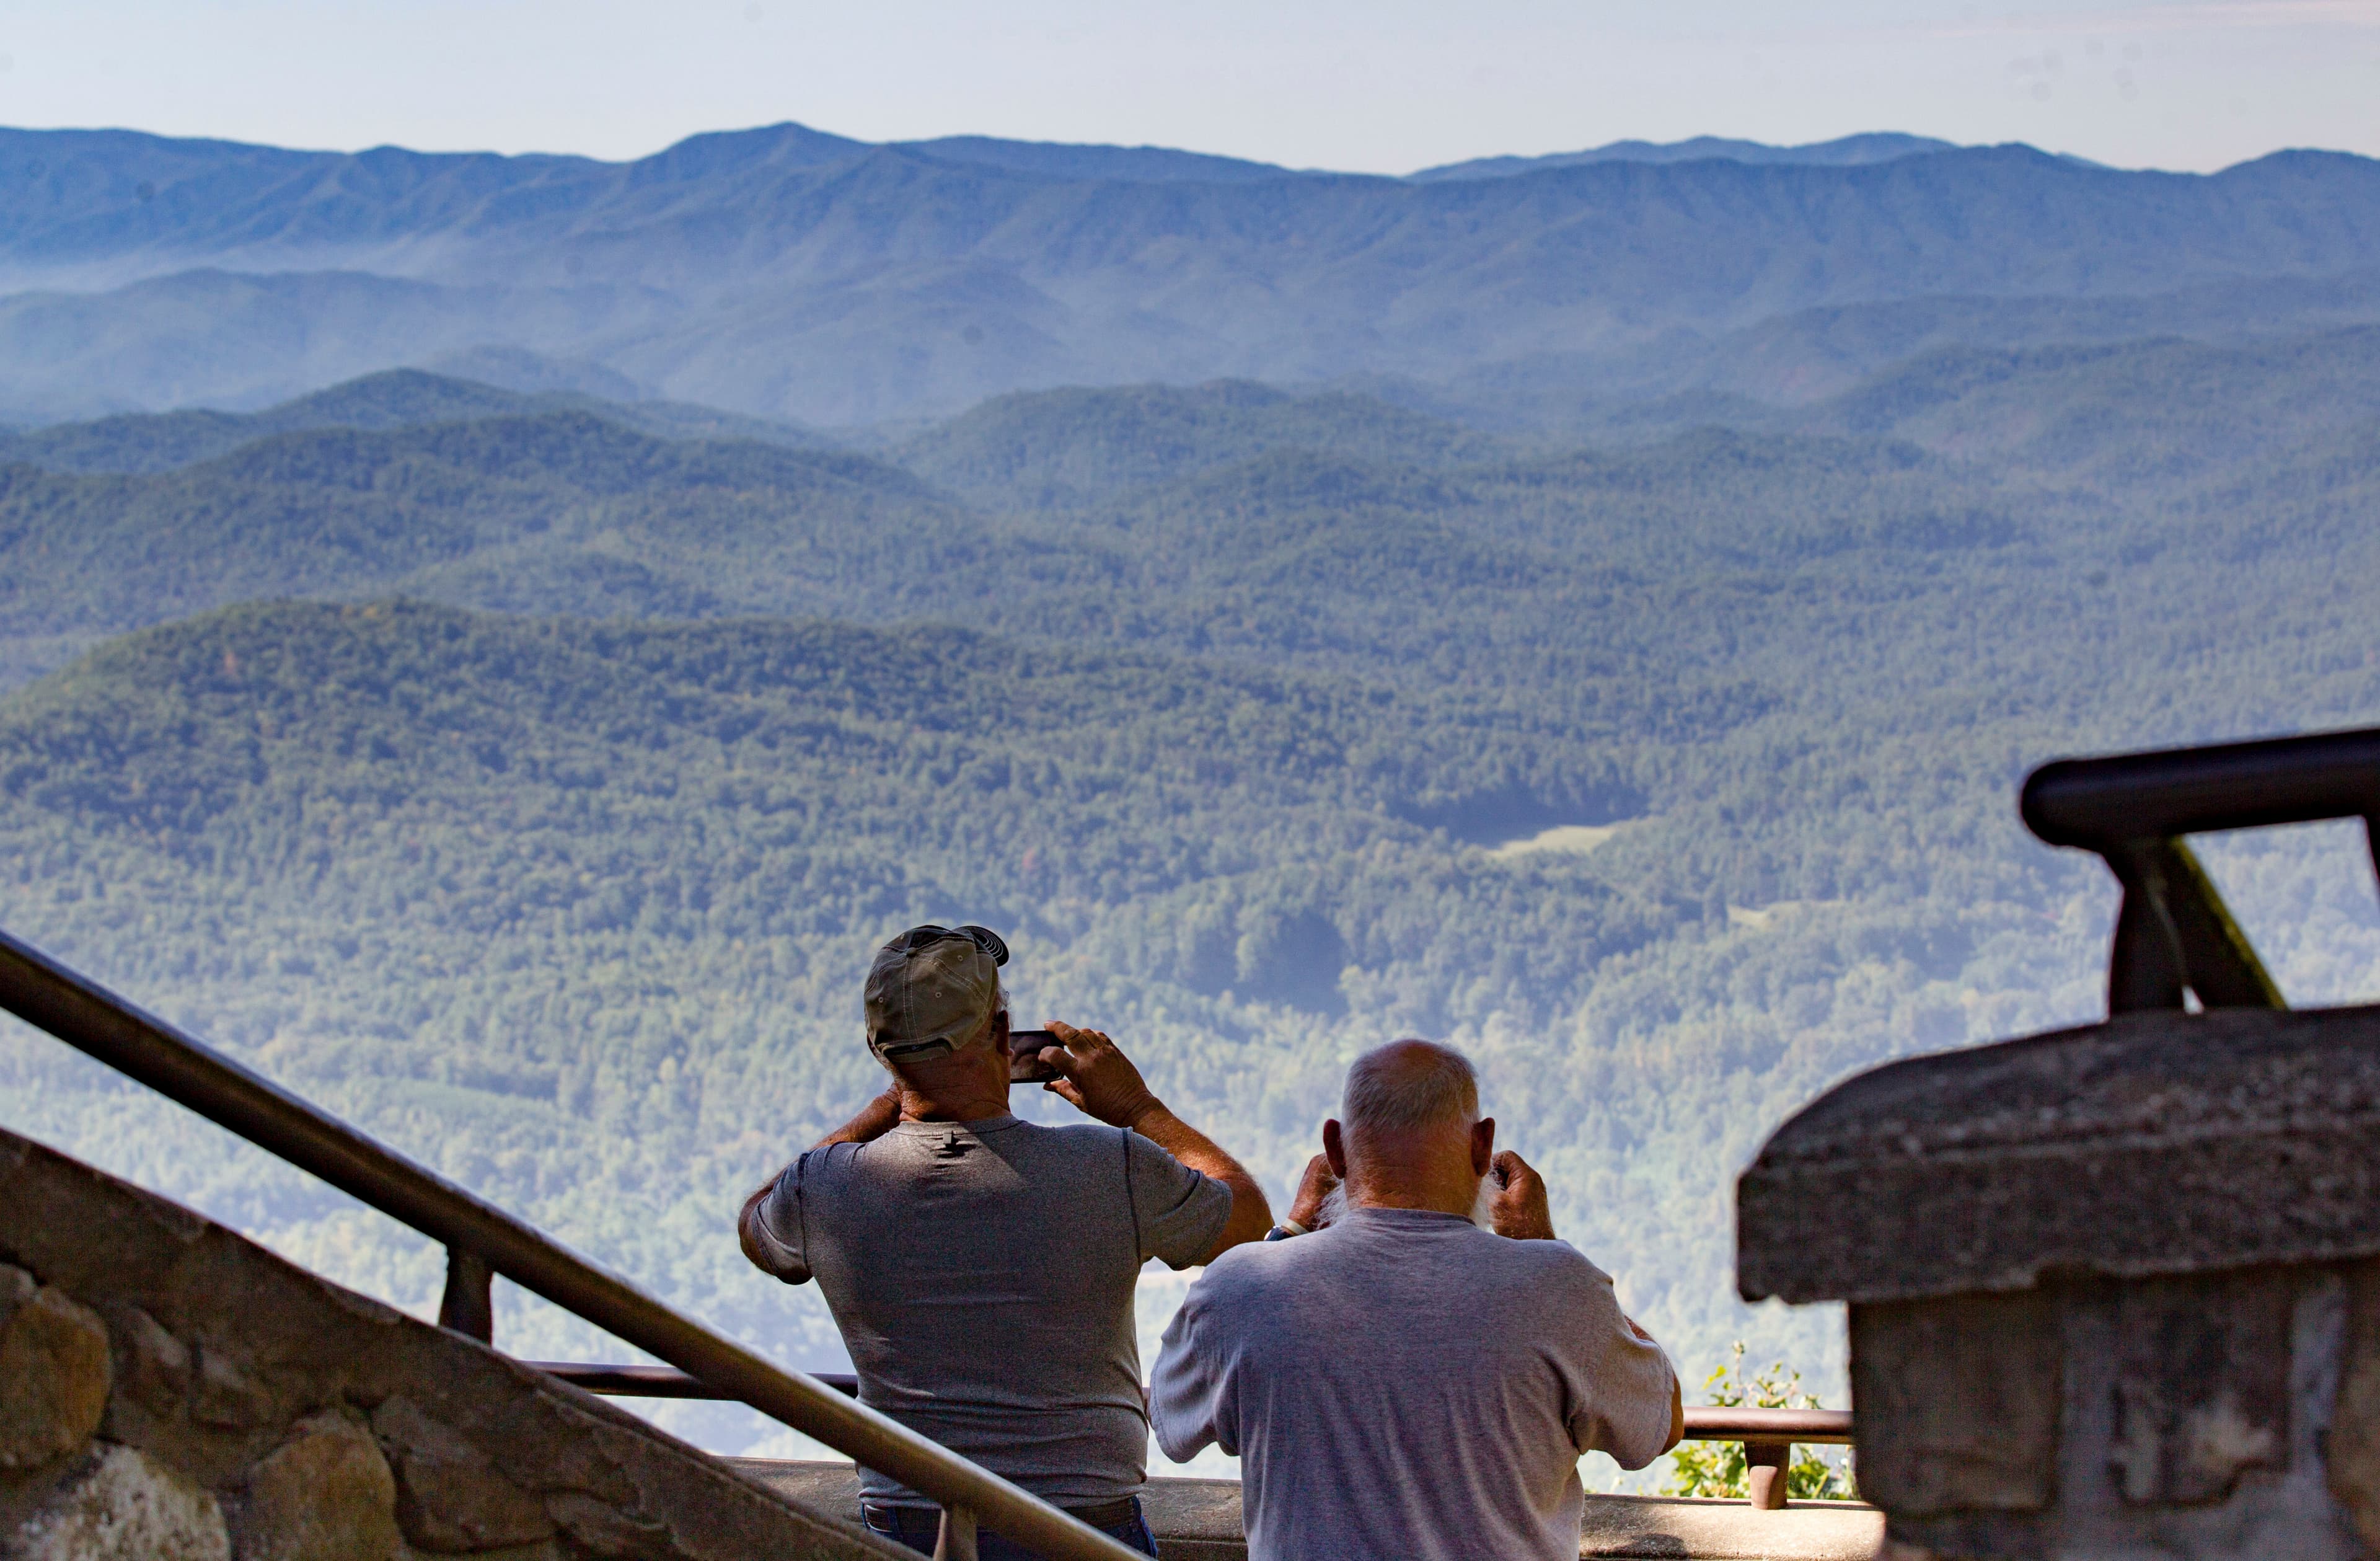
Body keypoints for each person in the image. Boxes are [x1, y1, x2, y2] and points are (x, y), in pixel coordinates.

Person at [738, 923, 1274, 1558]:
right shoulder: (1110, 1166)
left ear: (879, 1051)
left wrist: (897, 1099)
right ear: (1000, 1032)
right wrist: (1136, 1106)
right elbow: (1246, 1220)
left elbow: (755, 1222)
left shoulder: (823, 1188)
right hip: (1082, 1528)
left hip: (907, 1530)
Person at [1148, 1038, 1684, 1561]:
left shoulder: (1241, 1288)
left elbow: (1172, 1421)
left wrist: (1287, 1235)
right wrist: (1542, 1246)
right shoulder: (1561, 1289)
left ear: (1335, 1149)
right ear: (1482, 1146)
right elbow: (1661, 1424)